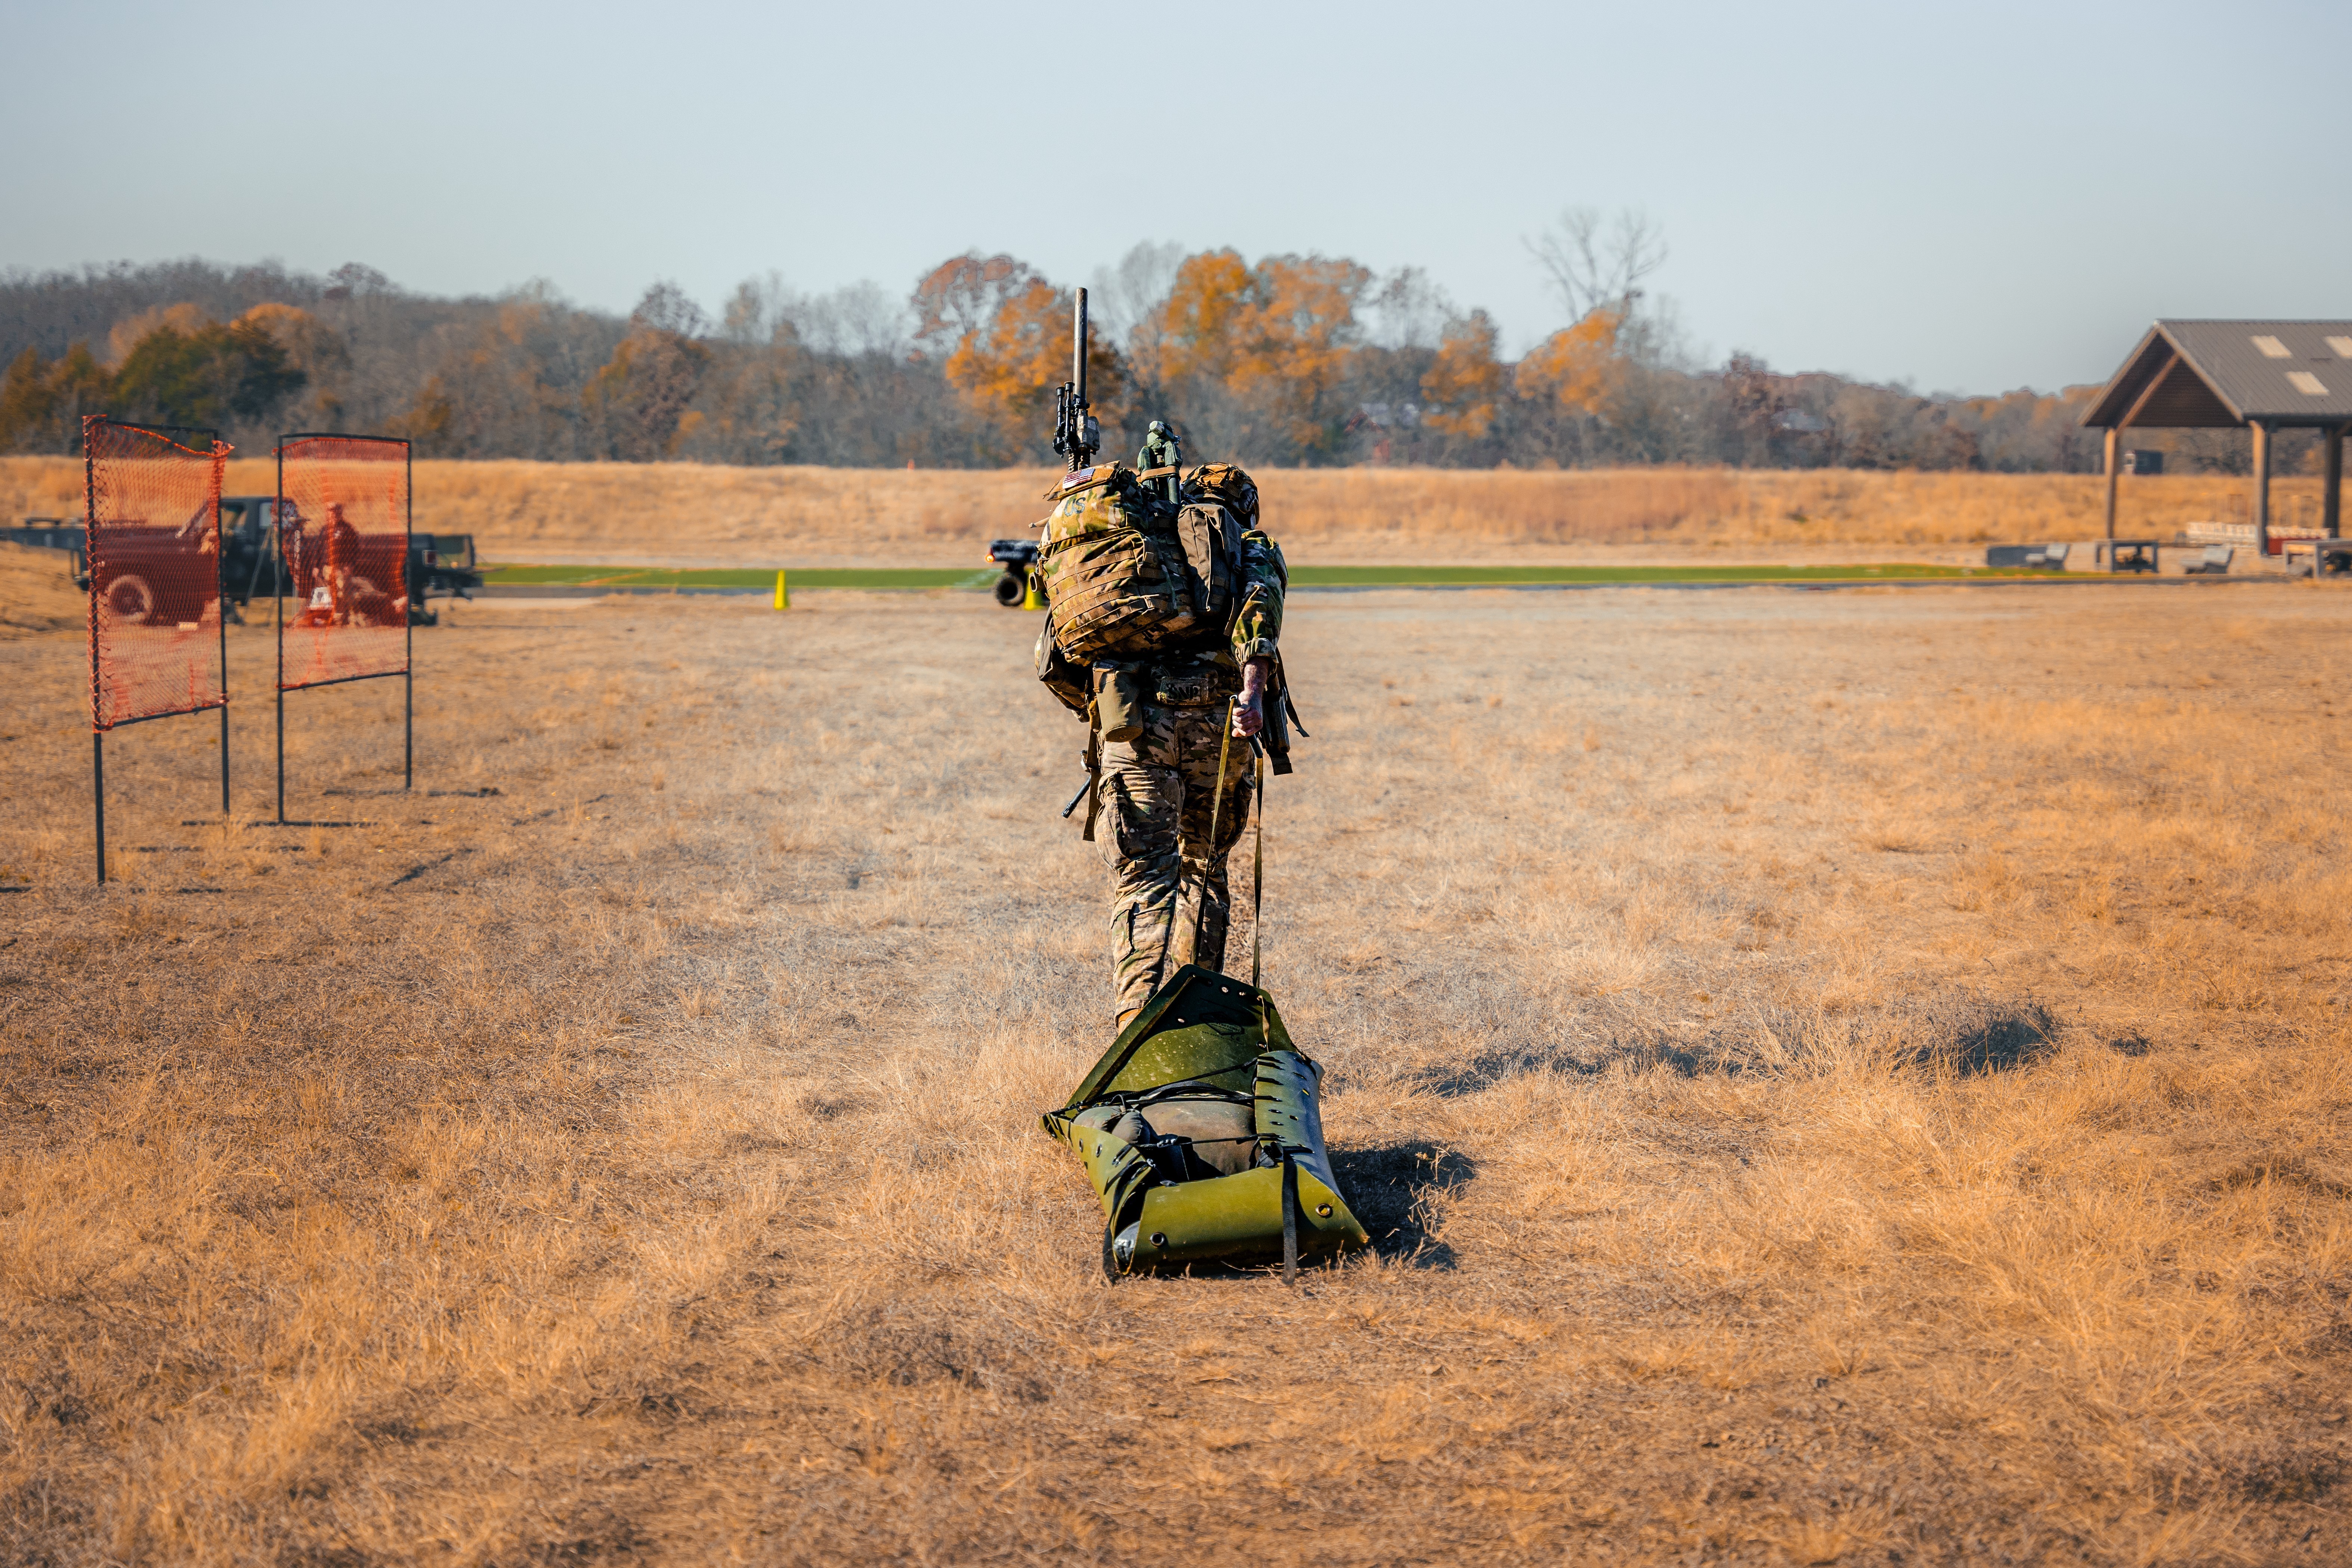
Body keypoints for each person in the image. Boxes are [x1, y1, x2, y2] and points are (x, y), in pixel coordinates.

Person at [1039, 464, 1289, 1033]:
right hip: (1219, 732)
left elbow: (1053, 659)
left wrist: (1101, 713)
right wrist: (1251, 694)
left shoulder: (1125, 556)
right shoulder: (1243, 546)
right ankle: (1198, 1026)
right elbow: (1258, 618)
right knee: (1204, 871)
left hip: (1134, 734)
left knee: (1143, 878)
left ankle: (1134, 1028)